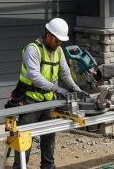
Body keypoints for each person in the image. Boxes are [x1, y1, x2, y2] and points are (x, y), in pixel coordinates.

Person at [13, 18, 88, 169]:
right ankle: (20, 167)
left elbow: (65, 73)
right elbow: (36, 78)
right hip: (30, 100)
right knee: (24, 137)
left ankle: (48, 166)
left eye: (61, 41)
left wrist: (76, 89)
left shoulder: (58, 50)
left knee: (49, 135)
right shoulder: (32, 50)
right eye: (57, 40)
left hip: (48, 101)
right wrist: (58, 89)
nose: (59, 44)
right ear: (49, 35)